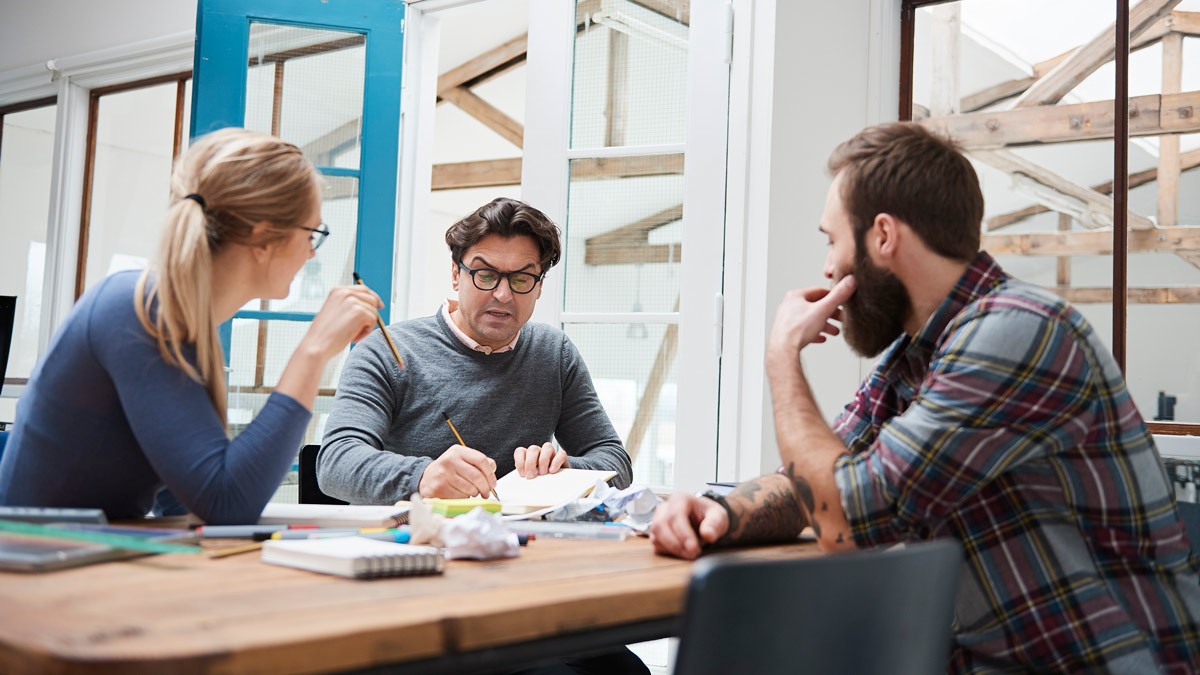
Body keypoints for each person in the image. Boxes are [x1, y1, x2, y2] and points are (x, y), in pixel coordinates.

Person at [650, 122, 1200, 673]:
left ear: (882, 236)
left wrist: (782, 358)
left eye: (831, 239)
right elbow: (816, 484)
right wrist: (719, 512)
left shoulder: (1017, 331)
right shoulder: (918, 356)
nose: (827, 266)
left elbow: (843, 518)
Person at [0, 128, 381, 525]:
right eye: (313, 234)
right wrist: (314, 350)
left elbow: (185, 503)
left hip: (88, 555)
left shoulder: (180, 317)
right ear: (263, 237)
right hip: (34, 563)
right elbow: (225, 503)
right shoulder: (138, 310)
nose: (310, 252)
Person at [318, 197, 632, 503]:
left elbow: (616, 462)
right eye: (485, 275)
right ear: (456, 275)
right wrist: (423, 476)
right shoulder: (386, 351)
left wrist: (567, 470)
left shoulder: (554, 353)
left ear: (539, 286)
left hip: (521, 545)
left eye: (522, 279)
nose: (503, 294)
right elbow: (336, 462)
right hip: (411, 545)